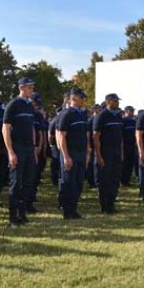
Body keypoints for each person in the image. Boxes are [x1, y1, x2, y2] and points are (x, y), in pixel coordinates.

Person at [2, 77, 38, 227]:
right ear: (21, 88)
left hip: (29, 149)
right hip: (17, 148)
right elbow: (5, 129)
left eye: (32, 87)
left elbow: (32, 128)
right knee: (16, 183)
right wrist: (10, 152)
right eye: (29, 87)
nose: (31, 90)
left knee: (28, 183)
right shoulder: (13, 105)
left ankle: (22, 214)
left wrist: (34, 148)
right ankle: (13, 217)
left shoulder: (29, 105)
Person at [57, 88, 89, 219]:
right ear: (74, 98)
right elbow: (61, 136)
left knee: (78, 182)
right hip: (70, 152)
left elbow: (85, 135)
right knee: (69, 182)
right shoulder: (66, 114)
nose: (83, 100)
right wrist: (66, 156)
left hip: (81, 152)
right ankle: (67, 211)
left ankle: (74, 209)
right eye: (81, 98)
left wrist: (87, 152)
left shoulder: (82, 114)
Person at [93, 93, 124, 213]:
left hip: (116, 151)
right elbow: (96, 137)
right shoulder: (102, 116)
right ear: (108, 102)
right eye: (115, 101)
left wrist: (121, 152)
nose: (117, 103)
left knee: (115, 178)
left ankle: (111, 203)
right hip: (105, 151)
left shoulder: (118, 116)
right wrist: (99, 155)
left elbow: (121, 136)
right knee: (105, 179)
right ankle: (105, 205)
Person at [120, 106, 138, 187]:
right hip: (125, 145)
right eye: (131, 111)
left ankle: (127, 180)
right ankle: (123, 180)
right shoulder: (123, 121)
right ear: (126, 111)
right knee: (125, 164)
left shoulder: (134, 121)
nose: (133, 112)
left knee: (130, 163)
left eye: (133, 111)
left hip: (132, 145)